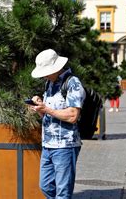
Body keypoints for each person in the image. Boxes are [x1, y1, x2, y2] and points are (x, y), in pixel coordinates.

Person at [29, 49, 85, 199]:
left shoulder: (72, 83)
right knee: (45, 185)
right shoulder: (50, 82)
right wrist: (40, 107)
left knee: (63, 192)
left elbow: (73, 115)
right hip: (48, 144)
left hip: (65, 146)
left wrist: (47, 109)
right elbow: (50, 114)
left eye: (46, 71)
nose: (44, 75)